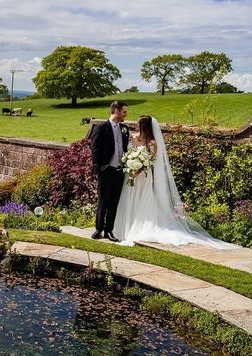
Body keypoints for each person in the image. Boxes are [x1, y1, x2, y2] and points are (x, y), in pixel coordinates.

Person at [112, 115, 235, 249]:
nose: (136, 126)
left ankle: (138, 228)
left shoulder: (152, 143)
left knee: (142, 199)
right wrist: (132, 159)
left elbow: (150, 162)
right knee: (130, 199)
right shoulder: (135, 137)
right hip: (132, 176)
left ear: (145, 127)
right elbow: (130, 153)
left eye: (139, 124)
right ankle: (124, 227)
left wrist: (138, 169)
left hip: (143, 177)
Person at [90, 101, 130, 241]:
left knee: (114, 203)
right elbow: (94, 149)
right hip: (106, 170)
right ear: (117, 111)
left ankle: (109, 231)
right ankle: (98, 229)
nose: (126, 114)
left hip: (120, 171)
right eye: (124, 112)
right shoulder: (101, 127)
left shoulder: (124, 129)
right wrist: (98, 168)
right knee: (103, 201)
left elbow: (126, 149)